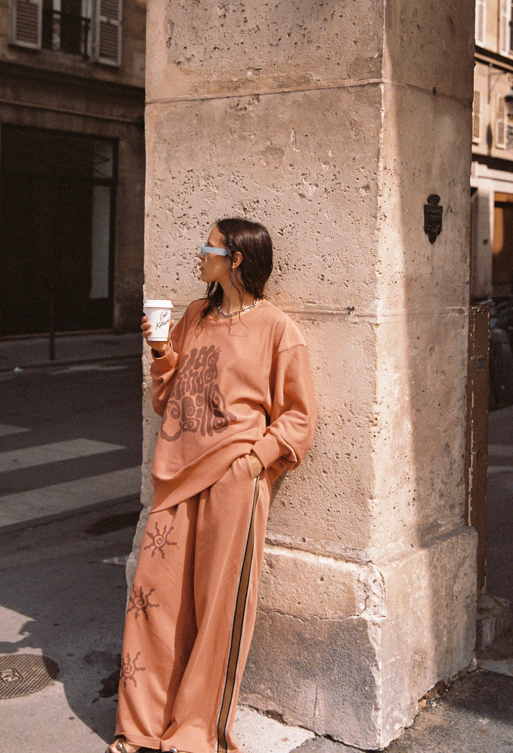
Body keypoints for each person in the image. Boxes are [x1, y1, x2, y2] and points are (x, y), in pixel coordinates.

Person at [112, 218, 317, 753]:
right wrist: (160, 352)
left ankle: (193, 734)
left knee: (217, 609)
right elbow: (166, 399)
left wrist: (254, 462)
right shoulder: (195, 317)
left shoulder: (277, 330)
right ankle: (140, 727)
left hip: (233, 480)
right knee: (153, 601)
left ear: (237, 260)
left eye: (210, 247)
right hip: (175, 473)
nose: (200, 255)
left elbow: (298, 417)